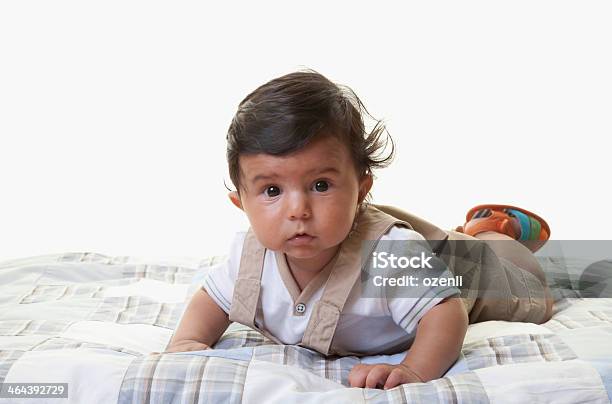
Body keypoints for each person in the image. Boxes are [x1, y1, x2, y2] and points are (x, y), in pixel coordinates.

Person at [165, 70, 554, 389]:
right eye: (271, 190)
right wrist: (187, 341)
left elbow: (446, 313)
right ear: (242, 203)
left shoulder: (388, 254)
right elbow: (212, 300)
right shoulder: (250, 257)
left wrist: (415, 370)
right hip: (421, 252)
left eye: (321, 185)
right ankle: (468, 231)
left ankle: (495, 231)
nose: (298, 210)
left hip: (470, 273)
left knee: (528, 288)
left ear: (361, 189)